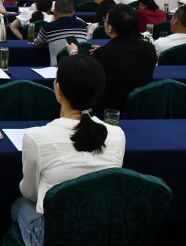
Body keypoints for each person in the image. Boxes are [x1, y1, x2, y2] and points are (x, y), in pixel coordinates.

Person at [12, 54, 125, 246]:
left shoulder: (35, 137)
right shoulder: (117, 134)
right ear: (99, 91)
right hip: (100, 230)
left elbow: (30, 192)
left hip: (55, 235)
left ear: (58, 89)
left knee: (19, 204)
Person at [73, 4, 157, 116]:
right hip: (141, 110)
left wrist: (73, 53)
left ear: (110, 28)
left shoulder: (104, 54)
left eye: (106, 20)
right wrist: (104, 51)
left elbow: (83, 79)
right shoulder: (149, 48)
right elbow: (126, 57)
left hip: (110, 113)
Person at [34, 0, 87, 67]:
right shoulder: (83, 26)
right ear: (73, 12)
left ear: (55, 11)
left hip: (58, 69)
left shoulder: (48, 28)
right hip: (81, 67)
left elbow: (39, 43)